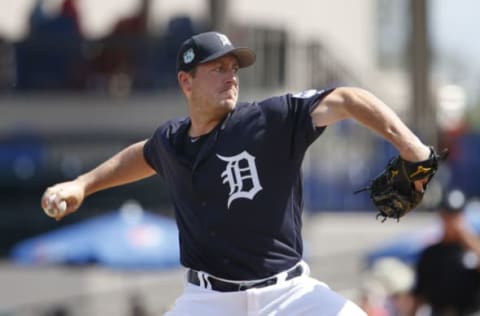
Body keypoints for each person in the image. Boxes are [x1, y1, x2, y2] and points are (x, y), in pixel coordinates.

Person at [41, 31, 432, 315]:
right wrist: (83, 184)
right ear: (185, 81)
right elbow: (142, 155)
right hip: (208, 301)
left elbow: (347, 99)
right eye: (218, 68)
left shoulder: (269, 120)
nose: (231, 76)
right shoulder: (172, 140)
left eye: (234, 67)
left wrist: (412, 148)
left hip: (289, 296)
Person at [413, 190, 480, 316]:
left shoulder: (473, 247)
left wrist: (467, 238)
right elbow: (418, 294)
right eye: (448, 215)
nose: (452, 220)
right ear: (441, 216)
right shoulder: (430, 253)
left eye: (456, 215)